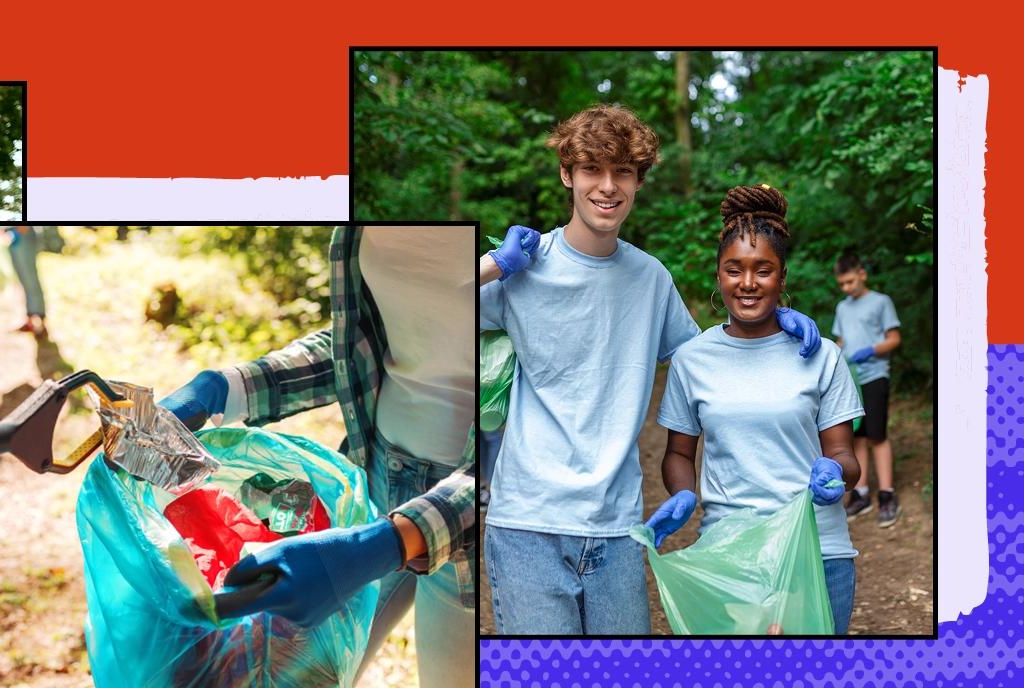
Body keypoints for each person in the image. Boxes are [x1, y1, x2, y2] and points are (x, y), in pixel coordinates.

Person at [475, 104, 824, 635]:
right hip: (529, 522)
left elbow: (705, 358)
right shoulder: (524, 267)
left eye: (623, 173)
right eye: (593, 169)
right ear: (567, 174)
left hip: (618, 528)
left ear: (638, 182)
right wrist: (494, 266)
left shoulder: (650, 278)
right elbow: (418, 308)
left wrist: (772, 325)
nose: (607, 187)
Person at [157, 226, 480, 687]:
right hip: (377, 480)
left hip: (476, 525)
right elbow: (365, 343)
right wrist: (229, 388)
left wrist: (386, 545)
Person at [643, 185, 865, 634]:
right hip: (731, 551)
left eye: (763, 270)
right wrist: (683, 493)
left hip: (818, 551)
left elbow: (846, 457)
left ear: (782, 277)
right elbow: (679, 453)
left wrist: (835, 474)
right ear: (718, 275)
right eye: (734, 270)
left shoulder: (822, 356)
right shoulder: (692, 359)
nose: (747, 283)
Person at [833, 253, 905, 527]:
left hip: (874, 375)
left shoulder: (881, 302)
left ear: (862, 273)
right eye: (842, 284)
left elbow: (894, 339)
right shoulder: (842, 308)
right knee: (858, 436)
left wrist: (872, 350)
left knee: (877, 435)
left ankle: (887, 494)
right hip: (851, 378)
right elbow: (841, 340)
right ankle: (861, 493)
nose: (846, 288)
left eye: (850, 282)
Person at [7, 226, 52, 336]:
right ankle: (31, 321)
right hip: (13, 234)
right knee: (24, 280)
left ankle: (40, 322)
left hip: (23, 233)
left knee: (30, 279)